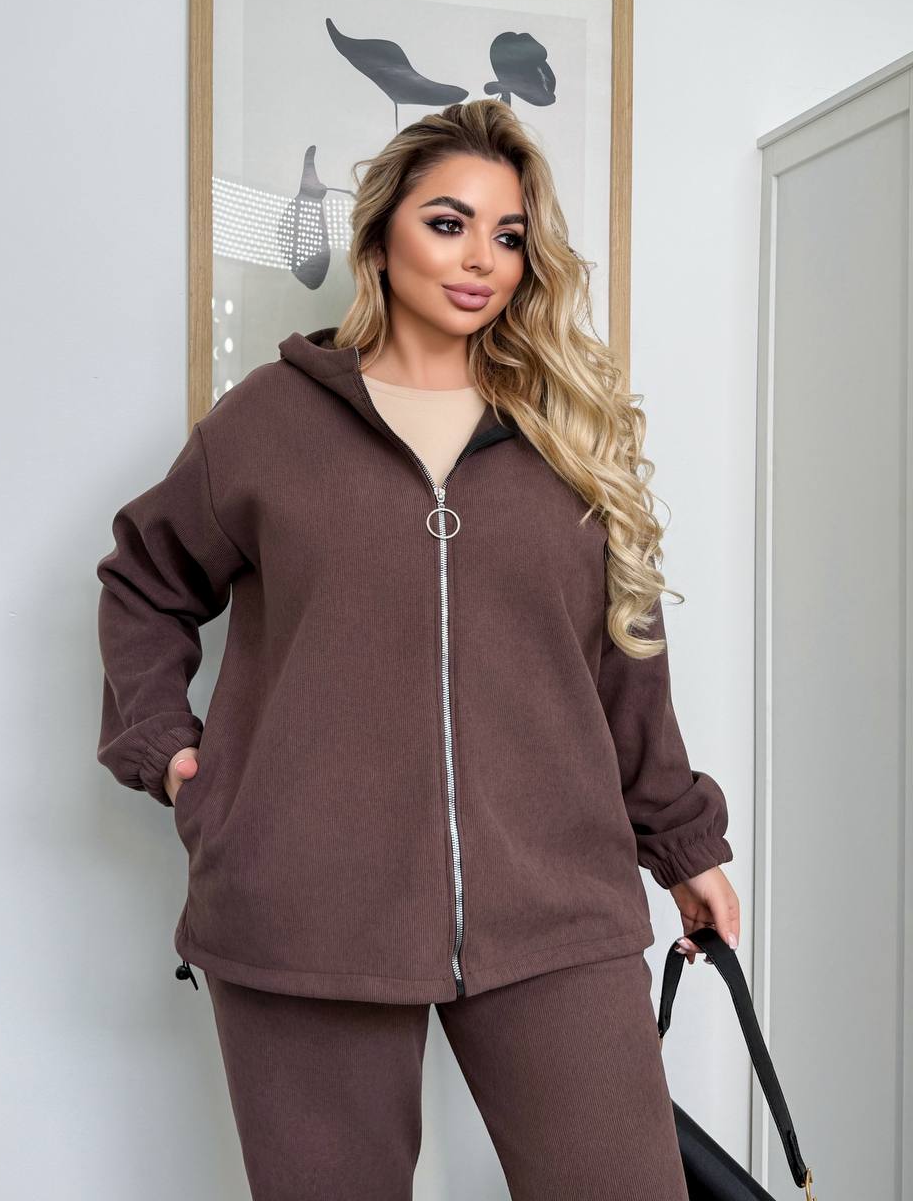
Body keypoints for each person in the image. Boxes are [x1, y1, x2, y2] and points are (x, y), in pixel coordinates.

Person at [95, 98, 739, 1200]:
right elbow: (144, 582)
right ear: (382, 235)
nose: (482, 258)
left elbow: (626, 656)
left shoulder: (565, 432)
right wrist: (171, 753)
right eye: (449, 223)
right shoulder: (267, 424)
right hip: (306, 902)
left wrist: (684, 844)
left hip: (555, 897)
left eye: (509, 234)